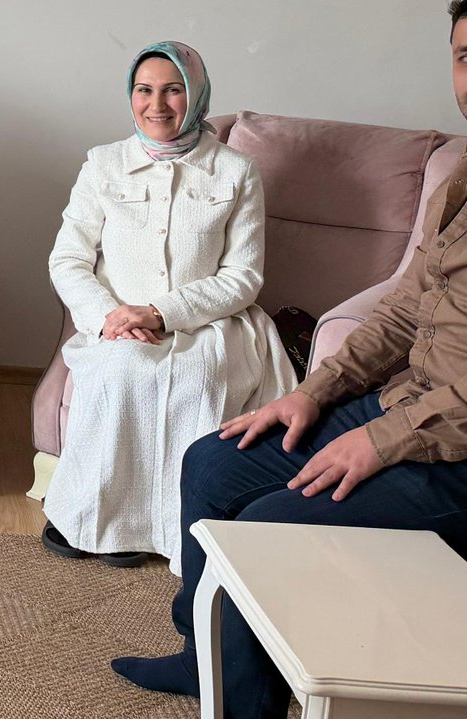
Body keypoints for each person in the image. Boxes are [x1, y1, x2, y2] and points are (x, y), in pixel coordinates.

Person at [116, 0, 467, 719]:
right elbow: (405, 309)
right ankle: (208, 656)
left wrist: (380, 440)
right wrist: (311, 395)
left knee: (272, 524)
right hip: (422, 413)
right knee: (215, 464)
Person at [40, 42, 293, 567]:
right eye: (144, 90)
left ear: (195, 96)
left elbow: (244, 276)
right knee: (122, 370)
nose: (157, 105)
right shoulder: (102, 164)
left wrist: (159, 313)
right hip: (114, 321)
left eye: (173, 90)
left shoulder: (236, 171)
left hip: (210, 324)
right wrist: (111, 319)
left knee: (197, 380)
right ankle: (93, 517)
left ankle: (168, 528)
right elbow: (68, 260)